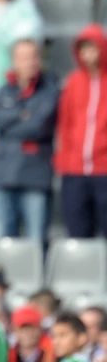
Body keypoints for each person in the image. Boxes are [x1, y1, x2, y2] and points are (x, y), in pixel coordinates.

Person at [0, 39, 60, 241]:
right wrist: (21, 113)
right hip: (3, 175)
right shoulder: (4, 90)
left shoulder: (50, 89)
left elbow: (37, 126)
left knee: (35, 243)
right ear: (14, 61)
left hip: (35, 176)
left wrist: (8, 122)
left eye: (33, 57)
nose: (30, 62)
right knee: (3, 243)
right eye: (24, 58)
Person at [55, 24, 107, 238]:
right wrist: (65, 160)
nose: (88, 54)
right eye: (83, 49)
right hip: (75, 170)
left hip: (103, 169)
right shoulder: (74, 82)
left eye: (92, 48)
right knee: (77, 231)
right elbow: (65, 124)